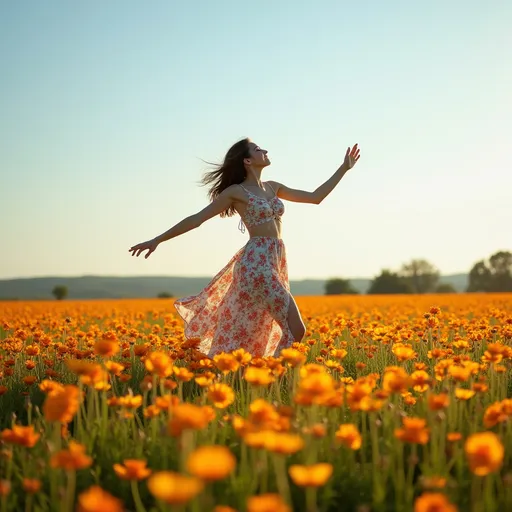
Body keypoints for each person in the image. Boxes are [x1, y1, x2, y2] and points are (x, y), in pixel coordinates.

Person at [129, 138, 360, 357]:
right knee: (296, 329)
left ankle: (257, 375)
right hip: (255, 264)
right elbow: (196, 219)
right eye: (258, 149)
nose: (265, 151)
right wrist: (157, 239)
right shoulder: (236, 192)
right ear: (247, 160)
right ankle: (275, 377)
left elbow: (315, 197)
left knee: (254, 329)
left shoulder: (273, 187)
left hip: (274, 261)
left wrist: (344, 168)